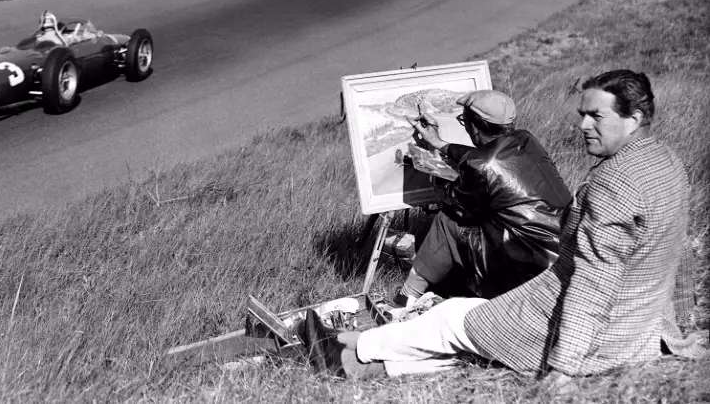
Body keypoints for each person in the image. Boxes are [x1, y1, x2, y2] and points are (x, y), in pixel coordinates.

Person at [300, 70, 706, 385]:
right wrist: (681, 328)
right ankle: (365, 367)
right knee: (466, 327)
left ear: (633, 119)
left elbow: (593, 282)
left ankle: (345, 347)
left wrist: (563, 370)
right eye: (582, 114)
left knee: (454, 319)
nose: (582, 125)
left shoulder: (614, 183)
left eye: (596, 115)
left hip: (594, 332)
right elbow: (679, 253)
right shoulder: (665, 164)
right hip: (637, 326)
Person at [396, 90, 572, 305]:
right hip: (562, 249)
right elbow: (482, 157)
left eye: (464, 120)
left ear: (473, 125)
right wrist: (440, 143)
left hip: (523, 261)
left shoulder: (481, 165)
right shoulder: (525, 140)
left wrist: (433, 164)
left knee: (447, 221)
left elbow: (455, 201)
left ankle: (408, 295)